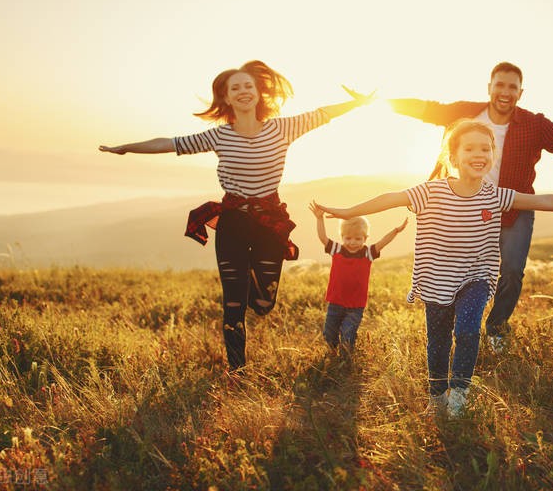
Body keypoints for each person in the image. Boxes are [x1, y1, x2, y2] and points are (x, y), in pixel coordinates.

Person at [312, 119, 553, 418]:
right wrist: (346, 212)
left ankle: (459, 393)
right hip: (436, 280)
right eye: (470, 149)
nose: (479, 155)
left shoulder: (496, 196)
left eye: (486, 149)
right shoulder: (431, 192)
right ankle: (437, 396)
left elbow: (545, 200)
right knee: (439, 341)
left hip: (476, 277)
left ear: (492, 156)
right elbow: (390, 198)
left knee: (468, 330)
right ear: (454, 156)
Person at [99, 60, 373, 374]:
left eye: (248, 86)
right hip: (232, 223)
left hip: (269, 224)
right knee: (232, 303)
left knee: (263, 304)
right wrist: (126, 148)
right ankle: (237, 370)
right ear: (227, 99)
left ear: (258, 93)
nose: (243, 91)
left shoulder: (282, 128)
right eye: (235, 88)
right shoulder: (219, 136)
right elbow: (169, 143)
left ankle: (250, 293)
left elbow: (323, 114)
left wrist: (359, 102)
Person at [374, 61, 553, 353]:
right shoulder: (465, 112)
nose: (505, 92)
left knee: (513, 271)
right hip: (462, 207)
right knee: (457, 270)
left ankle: (496, 328)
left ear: (521, 92)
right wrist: (376, 101)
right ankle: (456, 325)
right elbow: (425, 109)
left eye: (512, 87)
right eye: (500, 85)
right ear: (489, 88)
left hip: (513, 208)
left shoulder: (534, 124)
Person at [308, 205, 407, 355]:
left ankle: (346, 359)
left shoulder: (368, 253)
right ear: (342, 237)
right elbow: (323, 237)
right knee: (329, 333)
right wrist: (319, 218)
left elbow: (383, 242)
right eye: (348, 238)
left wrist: (395, 231)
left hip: (356, 306)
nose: (352, 242)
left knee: (348, 335)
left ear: (365, 238)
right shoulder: (337, 249)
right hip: (335, 302)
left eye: (358, 238)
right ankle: (333, 354)